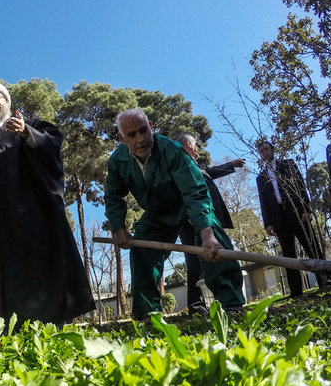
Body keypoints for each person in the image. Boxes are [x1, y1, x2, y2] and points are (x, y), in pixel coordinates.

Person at [0, 81, 95, 327]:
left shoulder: (33, 126)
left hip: (31, 217)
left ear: (7, 101)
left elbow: (52, 148)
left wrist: (27, 133)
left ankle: (42, 324)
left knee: (35, 268)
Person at [104, 109, 245, 320]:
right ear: (122, 138)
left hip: (188, 205)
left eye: (144, 131)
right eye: (132, 135)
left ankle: (232, 306)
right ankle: (147, 315)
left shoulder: (173, 150)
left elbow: (195, 193)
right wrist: (119, 228)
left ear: (152, 126)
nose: (140, 139)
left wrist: (206, 233)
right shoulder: (117, 162)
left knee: (214, 242)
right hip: (157, 212)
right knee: (141, 247)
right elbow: (113, 197)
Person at [176, 133, 245, 314]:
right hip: (192, 221)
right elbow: (178, 190)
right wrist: (190, 214)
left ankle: (222, 302)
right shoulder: (178, 164)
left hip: (208, 218)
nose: (197, 146)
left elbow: (212, 172)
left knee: (214, 255)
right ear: (188, 144)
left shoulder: (197, 166)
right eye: (195, 143)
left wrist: (232, 165)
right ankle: (197, 306)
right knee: (195, 262)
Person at [256, 140, 327, 296]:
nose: (265, 152)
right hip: (279, 219)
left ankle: (325, 282)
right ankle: (296, 292)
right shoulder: (260, 177)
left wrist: (306, 209)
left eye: (267, 149)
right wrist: (268, 223)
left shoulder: (288, 165)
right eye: (262, 151)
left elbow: (301, 186)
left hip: (297, 213)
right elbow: (263, 202)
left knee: (312, 247)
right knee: (288, 256)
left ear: (272, 150)